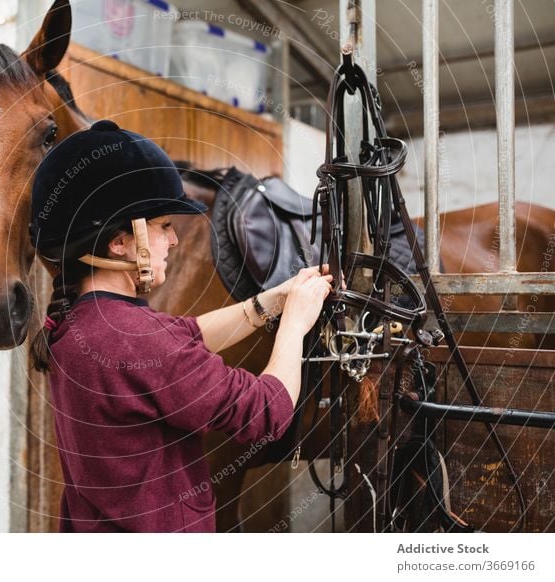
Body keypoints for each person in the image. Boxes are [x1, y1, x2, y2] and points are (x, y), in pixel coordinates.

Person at [29, 120, 333, 532]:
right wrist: (295, 323)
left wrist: (270, 301)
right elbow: (266, 411)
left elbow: (188, 334)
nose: (173, 241)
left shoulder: (77, 323)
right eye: (164, 226)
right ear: (120, 242)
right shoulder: (139, 340)